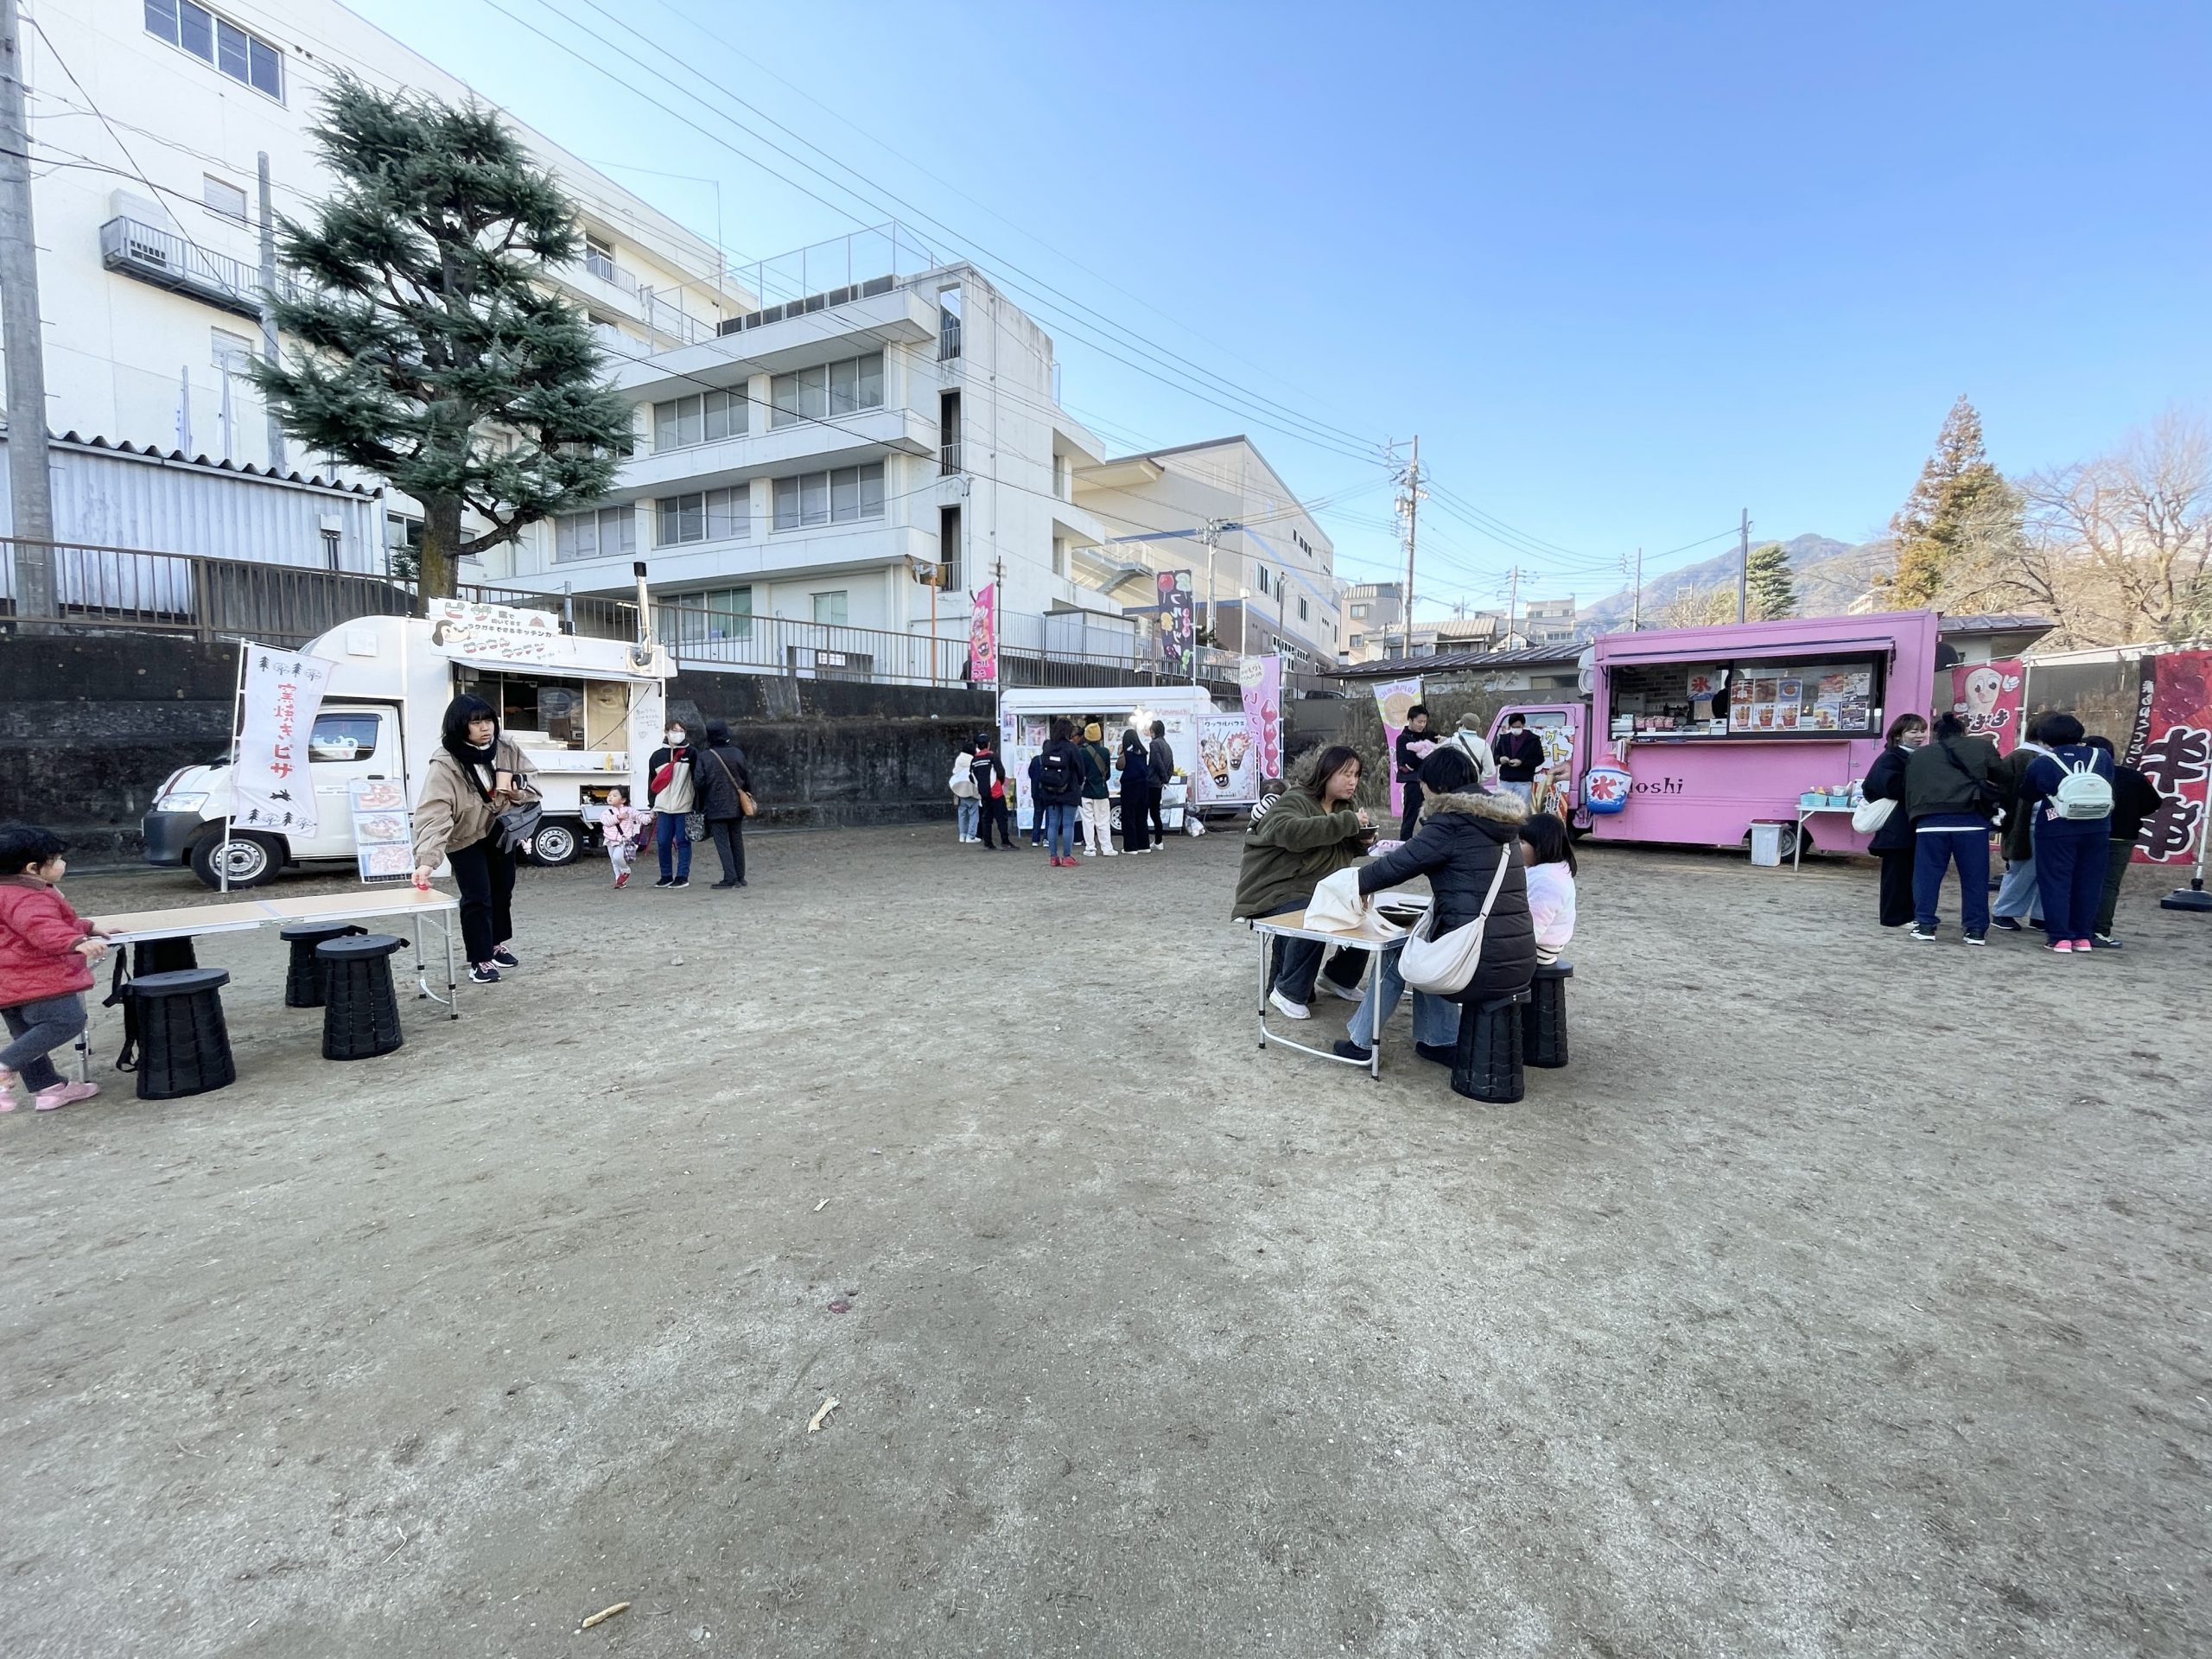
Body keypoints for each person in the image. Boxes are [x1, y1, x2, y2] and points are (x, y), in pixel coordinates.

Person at [1334, 747, 1536, 1065]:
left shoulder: (1451, 822)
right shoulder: (1501, 821)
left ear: (1438, 787)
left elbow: (1394, 867)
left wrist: (1344, 886)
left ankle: (1361, 1042)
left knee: (1398, 951)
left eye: (1423, 784)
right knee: (1429, 941)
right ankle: (1439, 1040)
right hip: (1517, 957)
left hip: (1478, 962)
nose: (1422, 791)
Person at [1230, 744, 1376, 1020]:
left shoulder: (1344, 806)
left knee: (1360, 907)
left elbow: (1336, 848)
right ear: (1327, 773)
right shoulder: (1296, 799)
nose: (1352, 781)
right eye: (1346, 774)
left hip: (1318, 887)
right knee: (1314, 913)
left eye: (1356, 775)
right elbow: (1289, 833)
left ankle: (1339, 977)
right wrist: (1347, 823)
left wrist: (1362, 840)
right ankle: (1288, 990)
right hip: (1277, 888)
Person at [411, 693, 539, 983]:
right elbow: (435, 811)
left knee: (502, 891)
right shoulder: (445, 762)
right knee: (477, 897)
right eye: (476, 722)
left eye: (488, 720)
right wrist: (427, 860)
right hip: (463, 837)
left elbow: (531, 780)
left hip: (499, 829)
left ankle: (495, 944)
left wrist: (517, 790)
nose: (485, 728)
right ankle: (480, 959)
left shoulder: (505, 747)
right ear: (460, 726)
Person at [0, 823, 110, 1112]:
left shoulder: (7, 892)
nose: (63, 864)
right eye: (57, 859)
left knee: (27, 1037)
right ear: (33, 868)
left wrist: (86, 928)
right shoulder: (27, 896)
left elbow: (32, 926)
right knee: (67, 1021)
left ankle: (48, 1089)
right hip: (36, 977)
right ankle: (4, 1065)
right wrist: (75, 941)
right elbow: (42, 927)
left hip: (8, 982)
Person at [1901, 710, 2001, 944]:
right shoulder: (1982, 747)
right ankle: (1975, 930)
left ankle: (1925, 925)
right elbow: (2002, 775)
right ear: (1963, 732)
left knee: (1927, 876)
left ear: (1936, 734)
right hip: (1971, 821)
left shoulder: (1920, 755)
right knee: (1975, 878)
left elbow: (1909, 787)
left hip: (1929, 822)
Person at [2020, 712, 2115, 954]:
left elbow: (2028, 793)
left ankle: (2060, 937)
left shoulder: (2043, 762)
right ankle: (2083, 936)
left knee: (2056, 881)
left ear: (2044, 739)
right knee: (2090, 882)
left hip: (2056, 827)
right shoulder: (2102, 757)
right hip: (2097, 826)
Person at [2085, 735, 2163, 948]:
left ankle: (2073, 928)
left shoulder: (2082, 777)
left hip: (2085, 833)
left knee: (2079, 880)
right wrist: (2131, 813)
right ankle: (2100, 930)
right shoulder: (2132, 776)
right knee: (2108, 884)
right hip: (2122, 836)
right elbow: (2153, 803)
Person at [1859, 713, 1927, 930]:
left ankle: (1908, 914)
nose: (1920, 736)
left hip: (1907, 826)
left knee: (1907, 872)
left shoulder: (1913, 756)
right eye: (1913, 731)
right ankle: (1895, 917)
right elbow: (1882, 787)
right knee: (1897, 874)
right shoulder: (1891, 758)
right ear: (1898, 735)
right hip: (1897, 827)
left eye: (1922, 731)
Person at [1991, 714, 2054, 932]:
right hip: (2025, 823)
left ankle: (2040, 915)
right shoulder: (2021, 757)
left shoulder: (2026, 756)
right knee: (2023, 870)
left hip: (2038, 822)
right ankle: (2004, 911)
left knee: (2045, 870)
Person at [696, 721, 752, 890]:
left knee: (722, 842)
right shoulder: (737, 753)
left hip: (715, 805)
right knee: (736, 840)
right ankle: (740, 876)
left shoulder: (705, 756)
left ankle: (730, 877)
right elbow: (746, 778)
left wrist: (699, 805)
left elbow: (699, 782)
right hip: (736, 804)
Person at [1519, 810, 1579, 965]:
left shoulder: (1546, 881)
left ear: (1541, 846)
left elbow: (1533, 928)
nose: (1517, 847)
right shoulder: (1550, 871)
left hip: (1539, 949)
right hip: (1543, 945)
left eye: (1522, 843)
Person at [645, 717, 697, 889]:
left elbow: (697, 779)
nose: (678, 734)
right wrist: (652, 805)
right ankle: (666, 876)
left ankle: (682, 876)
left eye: (681, 731)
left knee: (683, 841)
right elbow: (652, 783)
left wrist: (697, 804)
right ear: (666, 732)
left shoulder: (691, 754)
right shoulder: (657, 756)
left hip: (684, 805)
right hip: (663, 807)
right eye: (674, 730)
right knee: (662, 841)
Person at [1036, 719, 1085, 867]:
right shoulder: (1072, 748)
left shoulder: (1048, 746)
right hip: (1069, 789)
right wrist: (1079, 782)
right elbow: (1080, 769)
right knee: (1068, 824)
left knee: (1052, 824)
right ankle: (1067, 857)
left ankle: (1053, 857)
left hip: (1050, 789)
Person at [1393, 704, 1434, 840]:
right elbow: (1409, 761)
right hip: (1413, 782)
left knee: (1430, 817)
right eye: (1419, 721)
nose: (1422, 725)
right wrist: (1427, 759)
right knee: (1410, 818)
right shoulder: (1403, 739)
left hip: (1430, 783)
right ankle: (1404, 844)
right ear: (1410, 720)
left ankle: (1431, 842)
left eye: (1424, 722)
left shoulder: (1429, 736)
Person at [1077, 721, 1116, 857]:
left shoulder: (1081, 752)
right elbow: (1108, 775)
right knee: (1103, 821)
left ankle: (1090, 848)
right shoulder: (1105, 752)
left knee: (1087, 821)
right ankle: (1107, 848)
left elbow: (1079, 773)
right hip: (1101, 791)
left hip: (1085, 791)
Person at [1493, 712, 1548, 808]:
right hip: (1505, 781)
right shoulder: (1504, 739)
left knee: (1522, 810)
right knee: (1502, 808)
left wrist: (1522, 762)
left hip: (1523, 782)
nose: (1515, 729)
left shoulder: (1533, 740)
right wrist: (1500, 759)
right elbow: (1494, 756)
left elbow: (1539, 759)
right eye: (1513, 727)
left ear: (1523, 725)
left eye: (1518, 727)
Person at [599, 786, 649, 890]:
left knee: (617, 857)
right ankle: (619, 881)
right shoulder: (607, 812)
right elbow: (605, 821)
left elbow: (641, 817)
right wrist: (618, 817)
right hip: (610, 840)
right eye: (609, 795)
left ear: (623, 800)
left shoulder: (630, 811)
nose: (610, 797)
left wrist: (650, 817)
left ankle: (626, 870)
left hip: (623, 840)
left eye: (614, 795)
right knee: (614, 861)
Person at [969, 734, 1012, 850]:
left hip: (983, 793)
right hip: (996, 792)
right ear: (988, 744)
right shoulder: (992, 756)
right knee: (1001, 817)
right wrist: (999, 783)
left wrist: (980, 787)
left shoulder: (974, 760)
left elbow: (971, 776)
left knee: (986, 818)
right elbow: (1001, 772)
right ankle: (1005, 842)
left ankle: (988, 843)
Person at [1118, 728, 1154, 854]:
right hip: (1144, 786)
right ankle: (1144, 845)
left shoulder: (1127, 753)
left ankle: (1131, 847)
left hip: (1129, 786)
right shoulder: (1143, 752)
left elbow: (1119, 766)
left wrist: (1121, 753)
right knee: (1142, 816)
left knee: (1128, 816)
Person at [1146, 720, 1177, 847]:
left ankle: (1157, 841)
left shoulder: (1154, 744)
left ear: (1153, 731)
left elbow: (1156, 762)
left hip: (1152, 782)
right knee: (1156, 811)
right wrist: (1166, 779)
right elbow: (1172, 765)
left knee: (1151, 812)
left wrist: (1162, 777)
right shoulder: (1167, 745)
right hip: (1159, 784)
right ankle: (1159, 840)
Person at [1445, 712, 1496, 782]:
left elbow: (1434, 757)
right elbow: (1490, 771)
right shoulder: (1484, 744)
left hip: (1455, 783)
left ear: (1463, 726)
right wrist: (1477, 780)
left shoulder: (1451, 741)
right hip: (1473, 784)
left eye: (1460, 725)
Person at [950, 739, 981, 844]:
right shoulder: (974, 760)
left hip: (959, 789)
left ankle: (962, 835)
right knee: (973, 814)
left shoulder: (959, 759)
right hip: (971, 789)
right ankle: (971, 836)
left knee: (962, 813)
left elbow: (955, 772)